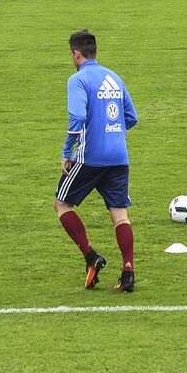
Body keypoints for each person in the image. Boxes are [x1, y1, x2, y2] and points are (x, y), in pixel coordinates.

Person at [54, 29, 138, 291]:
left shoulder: (78, 80)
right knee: (120, 215)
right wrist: (112, 132)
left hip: (91, 157)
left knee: (62, 204)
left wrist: (67, 152)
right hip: (119, 156)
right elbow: (131, 117)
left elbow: (77, 119)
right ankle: (128, 273)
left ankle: (91, 256)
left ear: (76, 54)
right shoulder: (114, 77)